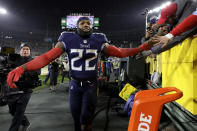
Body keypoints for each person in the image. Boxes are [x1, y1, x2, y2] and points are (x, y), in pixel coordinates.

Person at [7, 17, 156, 131]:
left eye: (88, 23)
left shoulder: (98, 39)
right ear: (77, 26)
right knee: (75, 114)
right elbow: (47, 57)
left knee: (87, 115)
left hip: (91, 84)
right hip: (75, 84)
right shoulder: (67, 38)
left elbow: (120, 52)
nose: (86, 25)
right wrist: (22, 68)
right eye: (82, 23)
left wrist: (141, 47)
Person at [7, 43, 41, 131]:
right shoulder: (15, 59)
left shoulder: (34, 60)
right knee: (12, 111)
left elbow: (37, 72)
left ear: (30, 51)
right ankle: (25, 122)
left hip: (26, 89)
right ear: (20, 50)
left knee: (19, 111)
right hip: (13, 89)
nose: (25, 51)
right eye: (23, 49)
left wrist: (21, 73)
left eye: (27, 49)